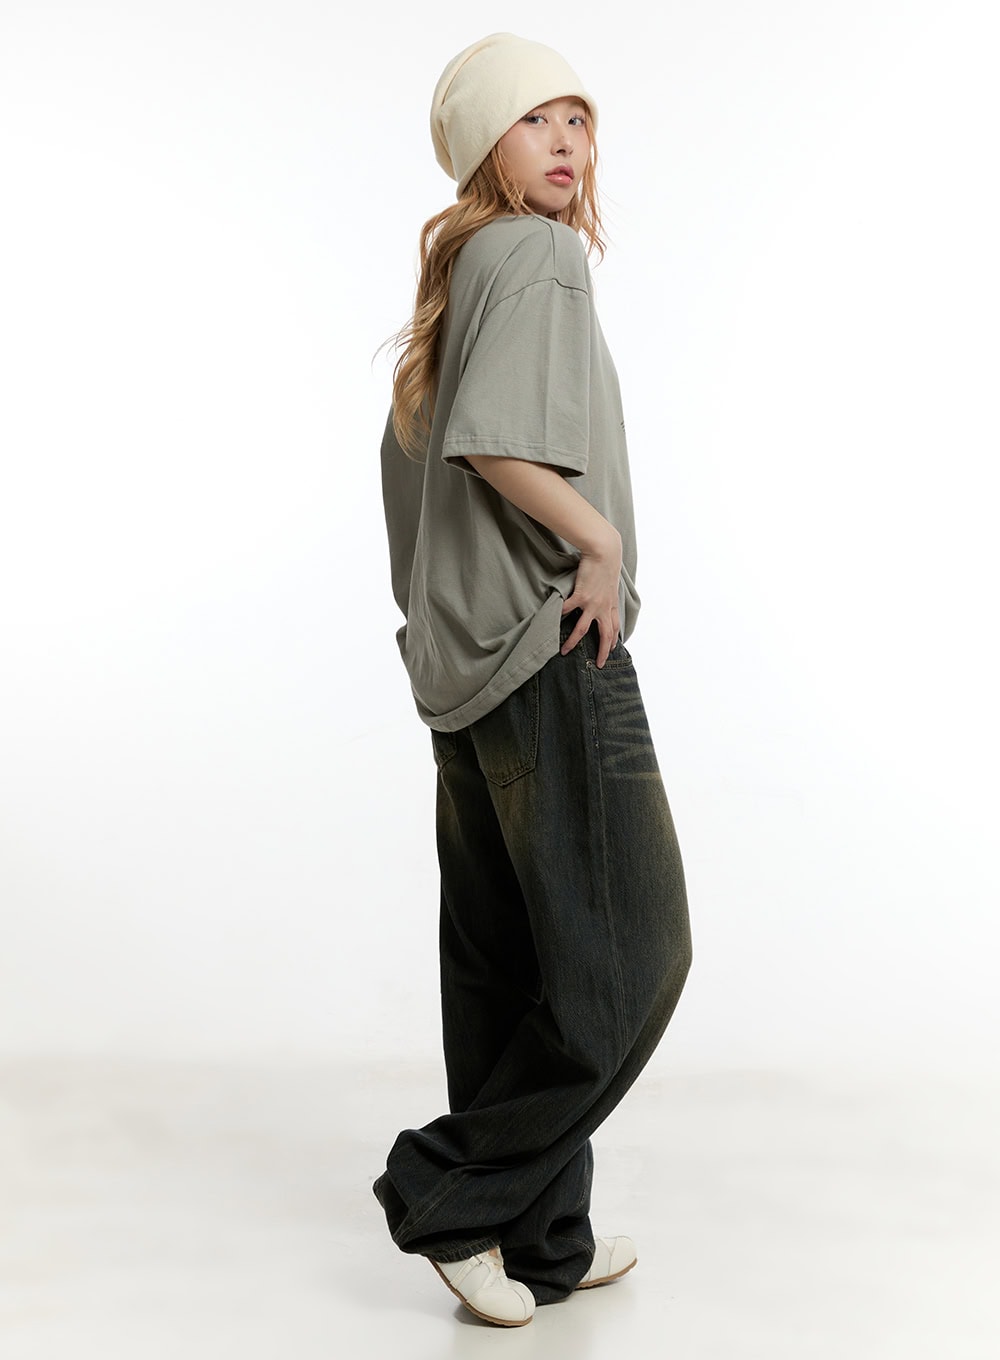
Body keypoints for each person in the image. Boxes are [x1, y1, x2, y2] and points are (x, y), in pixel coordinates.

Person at [372, 33, 692, 1328]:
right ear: (484, 151)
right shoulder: (540, 258)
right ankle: (449, 1194)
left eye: (578, 118)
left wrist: (442, 622)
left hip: (465, 665)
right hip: (553, 647)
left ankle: (538, 1235)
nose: (566, 141)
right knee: (636, 959)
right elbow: (497, 447)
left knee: (513, 959)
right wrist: (597, 545)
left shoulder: (458, 274)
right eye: (534, 120)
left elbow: (411, 472)